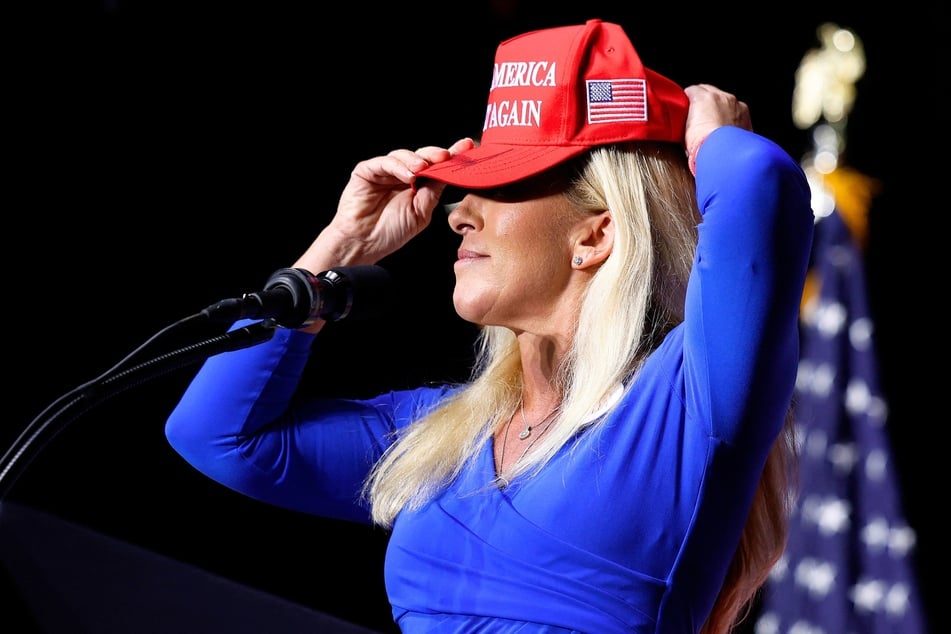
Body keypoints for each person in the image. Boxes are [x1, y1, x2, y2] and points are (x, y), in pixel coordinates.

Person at [165, 18, 814, 634]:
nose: (457, 213)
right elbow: (215, 436)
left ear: (596, 233)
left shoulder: (686, 402)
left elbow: (761, 181)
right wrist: (338, 250)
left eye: (502, 184)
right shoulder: (442, 437)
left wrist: (709, 141)